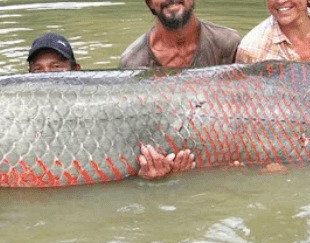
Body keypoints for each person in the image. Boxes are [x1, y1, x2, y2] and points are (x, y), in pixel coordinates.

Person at [29, 32, 194, 179]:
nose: (46, 77)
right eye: (38, 70)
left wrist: (150, 178)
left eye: (56, 67)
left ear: (77, 71)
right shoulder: (27, 122)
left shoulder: (106, 111)